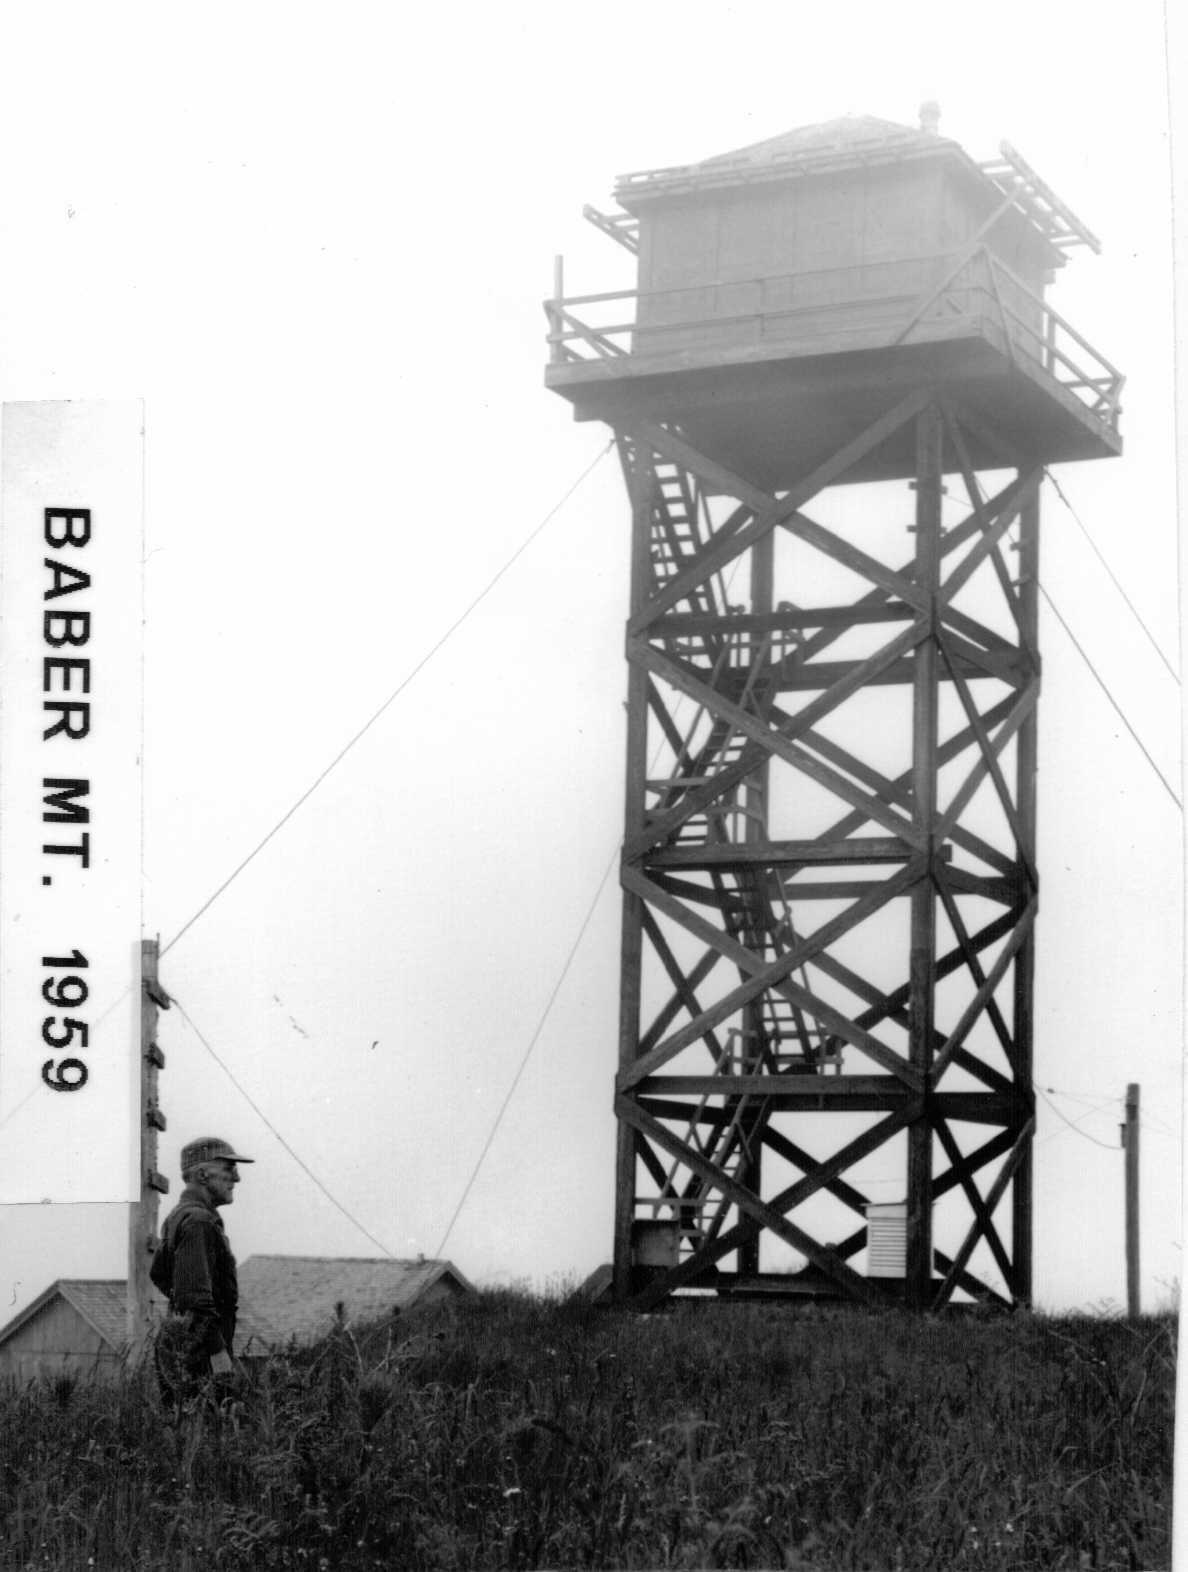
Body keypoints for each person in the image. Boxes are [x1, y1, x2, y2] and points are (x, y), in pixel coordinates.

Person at [150, 1135, 254, 1407]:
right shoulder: (198, 1221)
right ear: (202, 1174)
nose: (237, 1179)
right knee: (210, 1434)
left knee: (185, 1433)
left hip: (184, 1344)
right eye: (229, 1169)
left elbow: (159, 1275)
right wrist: (218, 1354)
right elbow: (194, 1297)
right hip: (198, 1354)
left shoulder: (180, 1216)